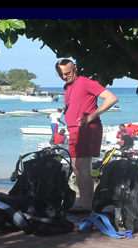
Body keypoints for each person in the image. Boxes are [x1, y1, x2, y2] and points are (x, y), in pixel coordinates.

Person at [55, 59, 119, 214]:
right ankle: (83, 199)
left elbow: (112, 98)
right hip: (74, 130)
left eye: (67, 73)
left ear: (75, 69)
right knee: (77, 166)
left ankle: (86, 203)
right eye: (61, 74)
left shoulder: (86, 82)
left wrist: (92, 115)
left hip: (87, 129)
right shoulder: (67, 87)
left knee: (82, 166)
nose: (64, 76)